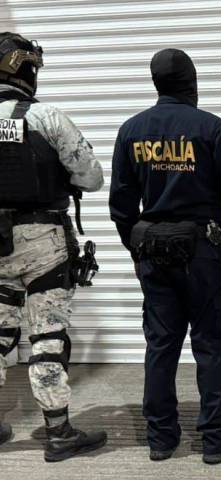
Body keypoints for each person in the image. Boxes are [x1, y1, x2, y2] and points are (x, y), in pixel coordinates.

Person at [109, 48, 221, 465]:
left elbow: (121, 205)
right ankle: (216, 441)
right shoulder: (210, 127)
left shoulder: (131, 131)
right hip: (205, 253)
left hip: (154, 253)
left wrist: (137, 249)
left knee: (161, 345)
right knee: (213, 343)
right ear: (192, 83)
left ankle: (161, 439)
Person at [0, 32, 107, 461]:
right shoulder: (46, 117)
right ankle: (59, 433)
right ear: (25, 70)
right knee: (47, 336)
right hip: (42, 241)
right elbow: (92, 177)